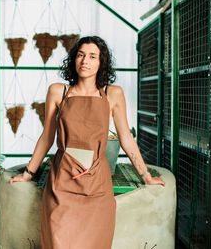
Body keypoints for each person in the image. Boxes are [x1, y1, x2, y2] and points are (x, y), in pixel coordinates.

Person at [10, 36, 165, 248]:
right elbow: (47, 136)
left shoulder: (113, 94)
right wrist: (28, 173)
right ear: (74, 60)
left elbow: (126, 138)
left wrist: (146, 176)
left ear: (101, 63)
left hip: (97, 184)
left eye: (93, 56)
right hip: (62, 181)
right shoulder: (58, 91)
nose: (85, 61)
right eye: (81, 55)